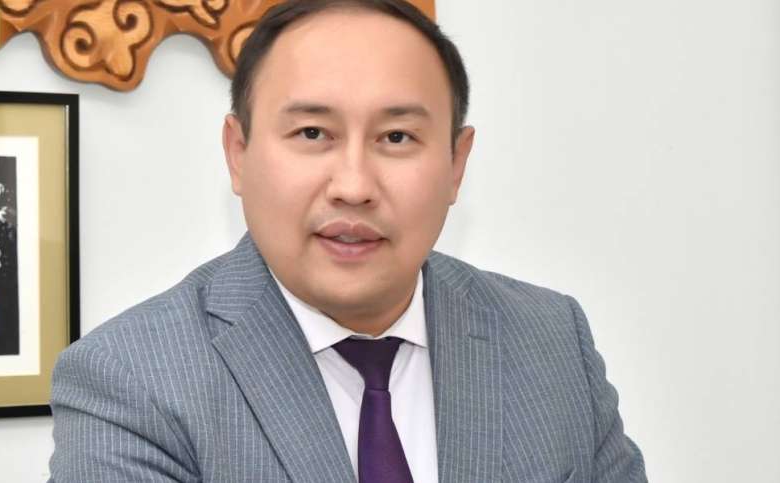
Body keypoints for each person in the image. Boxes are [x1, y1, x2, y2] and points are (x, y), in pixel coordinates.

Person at [47, 0, 647, 481]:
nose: (354, 186)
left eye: (397, 137)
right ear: (239, 154)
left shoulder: (552, 340)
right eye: (313, 133)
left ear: (456, 164)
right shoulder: (131, 381)